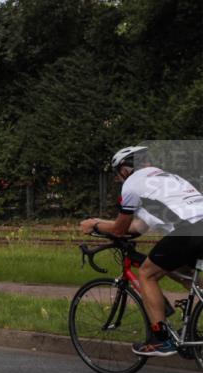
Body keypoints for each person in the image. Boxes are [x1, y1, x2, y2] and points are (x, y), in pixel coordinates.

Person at [80, 146, 203, 356]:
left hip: (191, 231)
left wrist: (95, 224)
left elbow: (119, 229)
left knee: (147, 273)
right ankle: (190, 333)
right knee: (187, 277)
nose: (119, 180)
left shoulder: (132, 184)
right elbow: (138, 227)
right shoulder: (167, 179)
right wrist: (103, 224)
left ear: (125, 169)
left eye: (118, 174)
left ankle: (161, 341)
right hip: (196, 229)